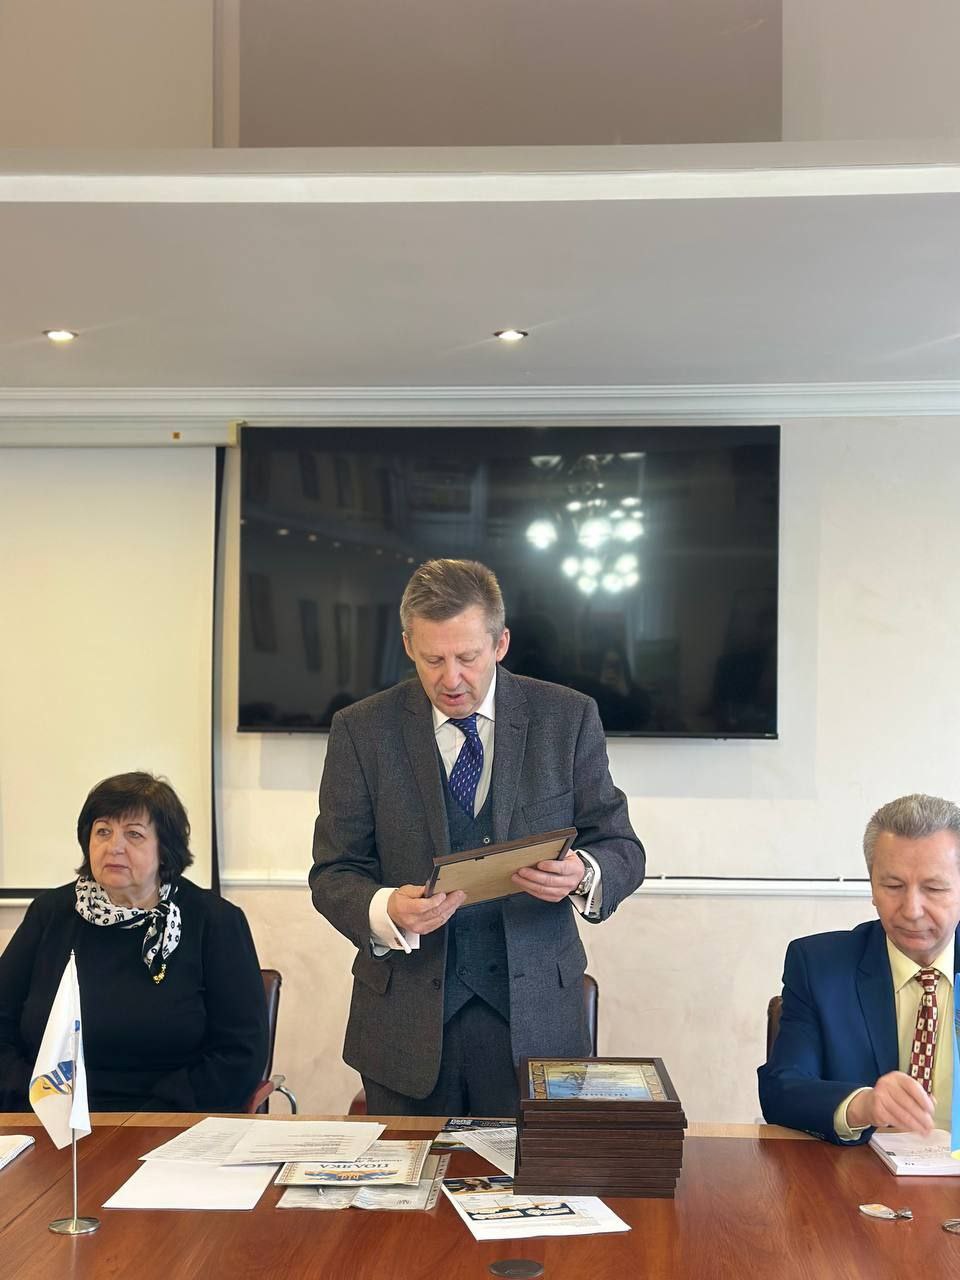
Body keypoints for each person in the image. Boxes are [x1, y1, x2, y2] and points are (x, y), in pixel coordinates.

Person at [310, 558, 645, 1116]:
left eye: (467, 658)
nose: (450, 679)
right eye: (432, 659)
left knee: (532, 1176)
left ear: (500, 643)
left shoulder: (567, 718)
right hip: (403, 1029)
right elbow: (333, 872)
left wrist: (582, 872)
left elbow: (622, 847)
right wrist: (385, 908)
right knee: (408, 1178)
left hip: (537, 1025)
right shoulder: (360, 730)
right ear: (408, 645)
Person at [0, 772, 268, 1112]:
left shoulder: (214, 921)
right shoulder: (50, 913)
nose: (114, 846)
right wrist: (29, 1098)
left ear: (165, 849)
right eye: (103, 831)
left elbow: (241, 1052)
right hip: (47, 1115)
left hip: (167, 1120)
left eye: (134, 834)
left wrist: (157, 1118)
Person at [758, 793, 960, 1144]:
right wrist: (862, 1105)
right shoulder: (820, 966)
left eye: (934, 888)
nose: (912, 909)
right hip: (857, 1171)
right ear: (872, 886)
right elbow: (782, 1089)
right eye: (893, 886)